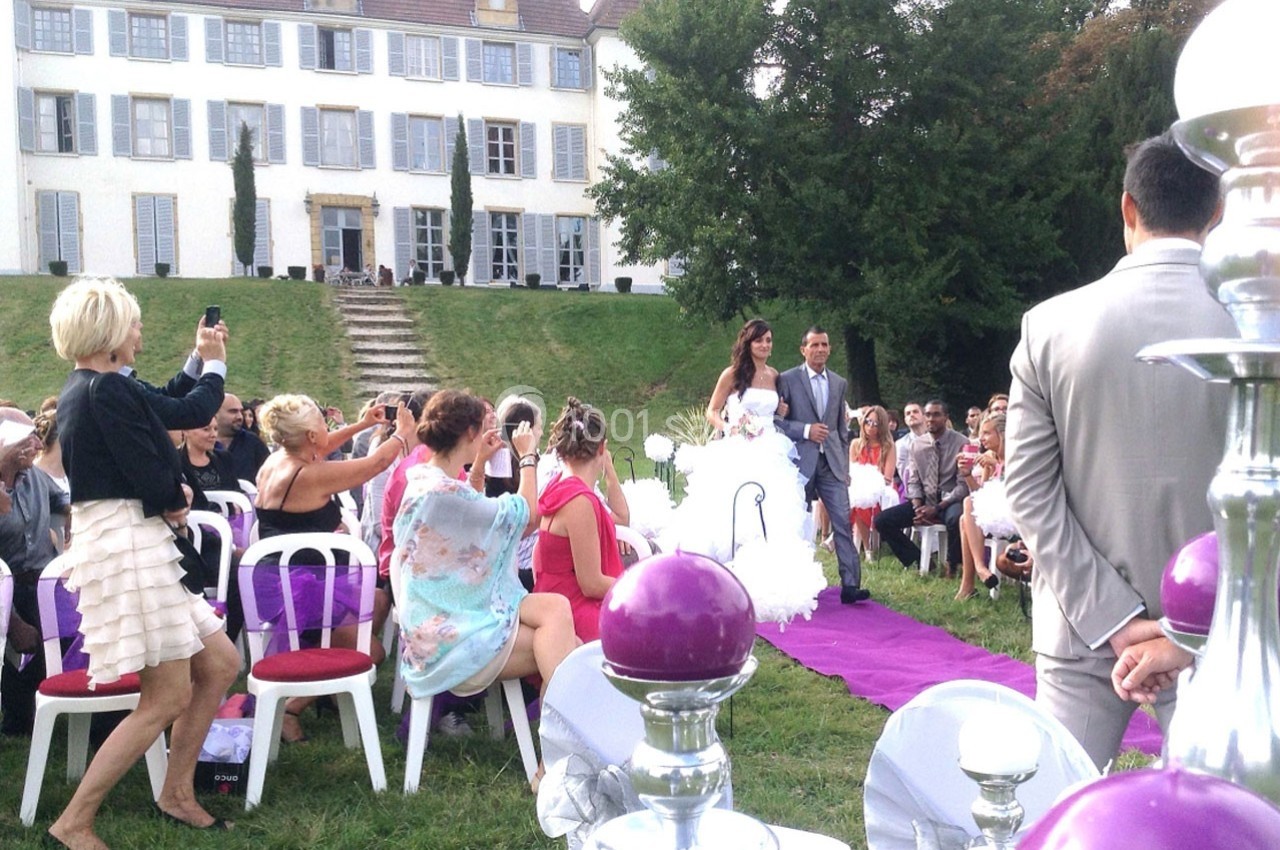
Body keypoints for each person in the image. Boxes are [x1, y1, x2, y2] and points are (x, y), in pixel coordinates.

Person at [1003, 132, 1237, 770]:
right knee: (1226, 819)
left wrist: (1112, 617)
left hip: (1081, 627)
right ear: (1217, 212)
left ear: (1128, 209)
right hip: (1222, 627)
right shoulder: (1257, 326)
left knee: (1058, 811)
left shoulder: (1049, 325)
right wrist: (1190, 626)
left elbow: (1026, 490)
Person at [48, 277, 240, 848]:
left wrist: (195, 357)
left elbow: (159, 404)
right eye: (133, 322)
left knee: (221, 662)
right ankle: (74, 821)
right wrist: (215, 364)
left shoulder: (93, 387)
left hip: (132, 541)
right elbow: (188, 410)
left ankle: (176, 791)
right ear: (109, 331)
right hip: (130, 546)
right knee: (166, 697)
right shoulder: (106, 390)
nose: (139, 331)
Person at [392, 390, 578, 790]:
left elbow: (470, 509)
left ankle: (557, 757)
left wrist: (477, 464)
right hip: (449, 639)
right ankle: (559, 759)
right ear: (472, 431)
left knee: (557, 620)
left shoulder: (425, 478)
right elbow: (525, 517)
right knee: (567, 643)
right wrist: (527, 456)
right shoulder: (442, 492)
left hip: (442, 617)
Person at [253, 394, 415, 742]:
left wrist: (366, 423)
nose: (326, 431)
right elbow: (372, 466)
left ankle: (329, 678)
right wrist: (401, 435)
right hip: (302, 591)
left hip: (284, 578)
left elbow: (321, 449)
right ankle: (293, 706)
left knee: (378, 599)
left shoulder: (278, 461)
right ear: (311, 436)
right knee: (374, 653)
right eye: (321, 425)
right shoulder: (309, 475)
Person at [661, 319, 815, 566]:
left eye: (768, 340)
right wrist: (729, 427)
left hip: (770, 447)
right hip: (738, 446)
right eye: (759, 340)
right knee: (734, 506)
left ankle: (763, 565)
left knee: (772, 507)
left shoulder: (774, 375)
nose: (765, 345)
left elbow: (774, 415)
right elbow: (712, 411)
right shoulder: (732, 374)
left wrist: (781, 413)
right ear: (748, 343)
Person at [776, 326, 868, 603]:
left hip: (832, 464)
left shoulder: (839, 383)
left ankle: (851, 585)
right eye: (814, 345)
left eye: (824, 345)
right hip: (801, 463)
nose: (820, 350)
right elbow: (778, 422)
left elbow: (842, 430)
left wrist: (846, 469)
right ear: (803, 349)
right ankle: (794, 580)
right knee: (797, 523)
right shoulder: (788, 379)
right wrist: (806, 431)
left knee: (842, 520)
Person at [533, 398, 629, 641]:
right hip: (572, 608)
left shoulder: (560, 486)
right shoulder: (579, 502)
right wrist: (638, 587)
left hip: (557, 597)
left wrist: (610, 474)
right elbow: (591, 584)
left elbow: (622, 518)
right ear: (601, 448)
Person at [0, 409, 69, 737]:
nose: (37, 443)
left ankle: (27, 704)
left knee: (72, 636)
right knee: (22, 639)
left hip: (43, 584)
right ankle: (18, 716)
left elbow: (69, 503)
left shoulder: (36, 477)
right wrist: (12, 622)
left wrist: (76, 524)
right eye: (26, 438)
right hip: (6, 593)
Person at [875, 400, 969, 575]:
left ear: (946, 417)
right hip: (925, 499)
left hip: (950, 499)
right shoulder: (917, 445)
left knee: (955, 518)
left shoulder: (961, 443)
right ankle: (918, 560)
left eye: (936, 414)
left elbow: (963, 486)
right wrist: (918, 507)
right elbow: (913, 480)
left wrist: (937, 508)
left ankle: (953, 563)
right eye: (928, 415)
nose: (931, 419)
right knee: (882, 521)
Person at [955, 412, 1007, 600]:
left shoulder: (1015, 456)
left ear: (1001, 434)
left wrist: (999, 466)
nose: (981, 438)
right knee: (967, 511)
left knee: (966, 511)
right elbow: (981, 493)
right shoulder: (988, 456)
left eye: (986, 433)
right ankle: (972, 579)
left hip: (1014, 510)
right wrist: (967, 474)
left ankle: (976, 572)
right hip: (994, 508)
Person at [848, 404, 896, 557]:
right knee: (856, 499)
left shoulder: (888, 446)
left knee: (861, 500)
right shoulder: (856, 444)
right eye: (868, 421)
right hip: (858, 487)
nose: (870, 427)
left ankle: (867, 547)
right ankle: (867, 547)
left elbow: (888, 478)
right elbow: (851, 471)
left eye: (875, 423)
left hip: (881, 489)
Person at [214, 393, 270, 483]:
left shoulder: (252, 442)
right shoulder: (202, 443)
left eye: (240, 411)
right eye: (233, 411)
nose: (240, 416)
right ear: (215, 412)